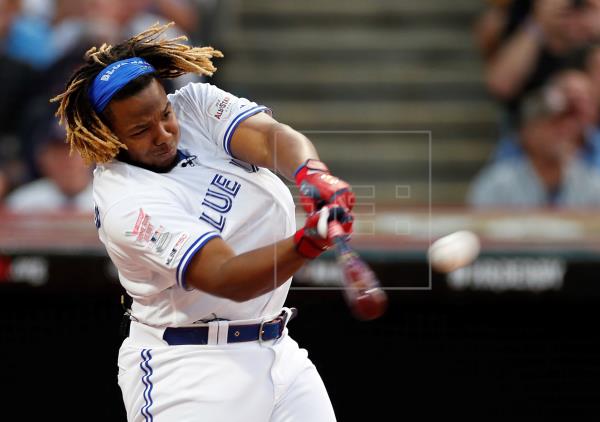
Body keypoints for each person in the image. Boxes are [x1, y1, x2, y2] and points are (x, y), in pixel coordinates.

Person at [51, 22, 354, 421]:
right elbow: (227, 276)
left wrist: (312, 172)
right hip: (190, 369)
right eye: (141, 130)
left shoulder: (193, 104)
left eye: (164, 115)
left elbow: (269, 138)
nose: (163, 134)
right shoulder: (125, 200)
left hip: (279, 350)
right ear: (108, 137)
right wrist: (310, 241)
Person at [468, 70, 600, 207]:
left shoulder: (591, 183)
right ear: (528, 131)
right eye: (552, 123)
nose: (563, 131)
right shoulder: (497, 184)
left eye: (566, 123)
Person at [4, 119, 93, 211]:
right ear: (42, 158)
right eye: (58, 152)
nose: (68, 157)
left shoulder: (106, 201)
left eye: (76, 149)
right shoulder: (20, 204)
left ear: (94, 155)